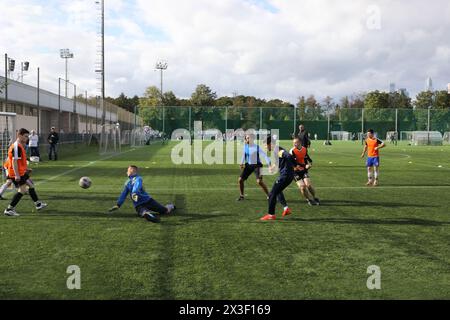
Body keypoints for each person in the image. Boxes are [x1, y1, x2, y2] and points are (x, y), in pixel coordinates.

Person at [109, 165, 176, 223]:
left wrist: (134, 192)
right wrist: (118, 204)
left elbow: (137, 187)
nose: (126, 172)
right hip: (138, 204)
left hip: (148, 201)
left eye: (128, 170)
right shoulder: (127, 182)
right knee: (143, 213)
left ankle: (170, 206)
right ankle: (151, 217)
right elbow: (123, 194)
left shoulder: (138, 179)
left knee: (165, 211)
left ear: (132, 171)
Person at [4, 128, 48, 217]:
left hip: (21, 171)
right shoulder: (16, 146)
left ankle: (38, 204)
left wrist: (26, 169)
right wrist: (16, 174)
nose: (27, 138)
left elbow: (20, 162)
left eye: (27, 136)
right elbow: (14, 162)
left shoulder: (20, 145)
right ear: (19, 135)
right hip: (16, 173)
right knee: (22, 190)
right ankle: (9, 209)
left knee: (31, 185)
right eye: (25, 136)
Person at [260, 136, 296, 221]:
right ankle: (286, 208)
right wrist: (272, 167)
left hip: (285, 175)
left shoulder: (278, 150)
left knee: (272, 194)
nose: (265, 147)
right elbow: (278, 163)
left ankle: (271, 215)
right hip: (288, 175)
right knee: (277, 191)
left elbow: (287, 155)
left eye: (266, 145)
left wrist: (295, 164)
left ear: (270, 144)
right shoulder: (276, 151)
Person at [237, 134, 271, 201]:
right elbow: (244, 155)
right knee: (240, 180)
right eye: (246, 138)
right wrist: (241, 163)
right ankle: (242, 196)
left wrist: (269, 164)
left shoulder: (256, 147)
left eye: (248, 138)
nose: (247, 139)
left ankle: (269, 196)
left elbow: (265, 156)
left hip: (257, 165)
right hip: (249, 165)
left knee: (259, 182)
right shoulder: (245, 147)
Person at [290, 138, 320, 206]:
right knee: (302, 187)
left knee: (308, 185)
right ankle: (309, 200)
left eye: (296, 142)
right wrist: (296, 167)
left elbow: (308, 159)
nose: (294, 144)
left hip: (303, 171)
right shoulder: (292, 151)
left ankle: (314, 197)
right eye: (293, 143)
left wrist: (309, 165)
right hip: (295, 172)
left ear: (300, 142)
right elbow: (291, 163)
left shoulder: (304, 149)